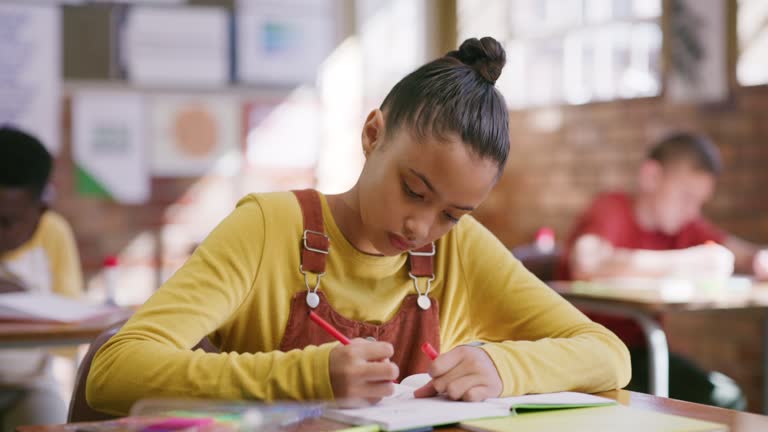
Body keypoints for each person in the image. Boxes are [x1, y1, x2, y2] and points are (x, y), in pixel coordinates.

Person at [87, 37, 631, 416]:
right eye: (413, 191)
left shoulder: (460, 251)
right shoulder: (268, 228)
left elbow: (609, 354)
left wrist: (502, 366)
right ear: (373, 134)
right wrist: (309, 378)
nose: (422, 227)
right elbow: (114, 371)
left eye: (452, 214)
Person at [561, 132, 766, 409]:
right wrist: (687, 262)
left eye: (699, 203)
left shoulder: (684, 224)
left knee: (724, 398)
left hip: (642, 354)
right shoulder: (613, 208)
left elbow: (742, 253)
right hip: (584, 357)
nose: (693, 211)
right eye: (685, 197)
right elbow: (587, 263)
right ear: (652, 177)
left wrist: (758, 259)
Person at [0, 126, 84, 432]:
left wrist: (25, 301)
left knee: (50, 421)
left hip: (29, 385)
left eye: (7, 222)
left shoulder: (54, 234)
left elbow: (70, 337)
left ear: (39, 211)